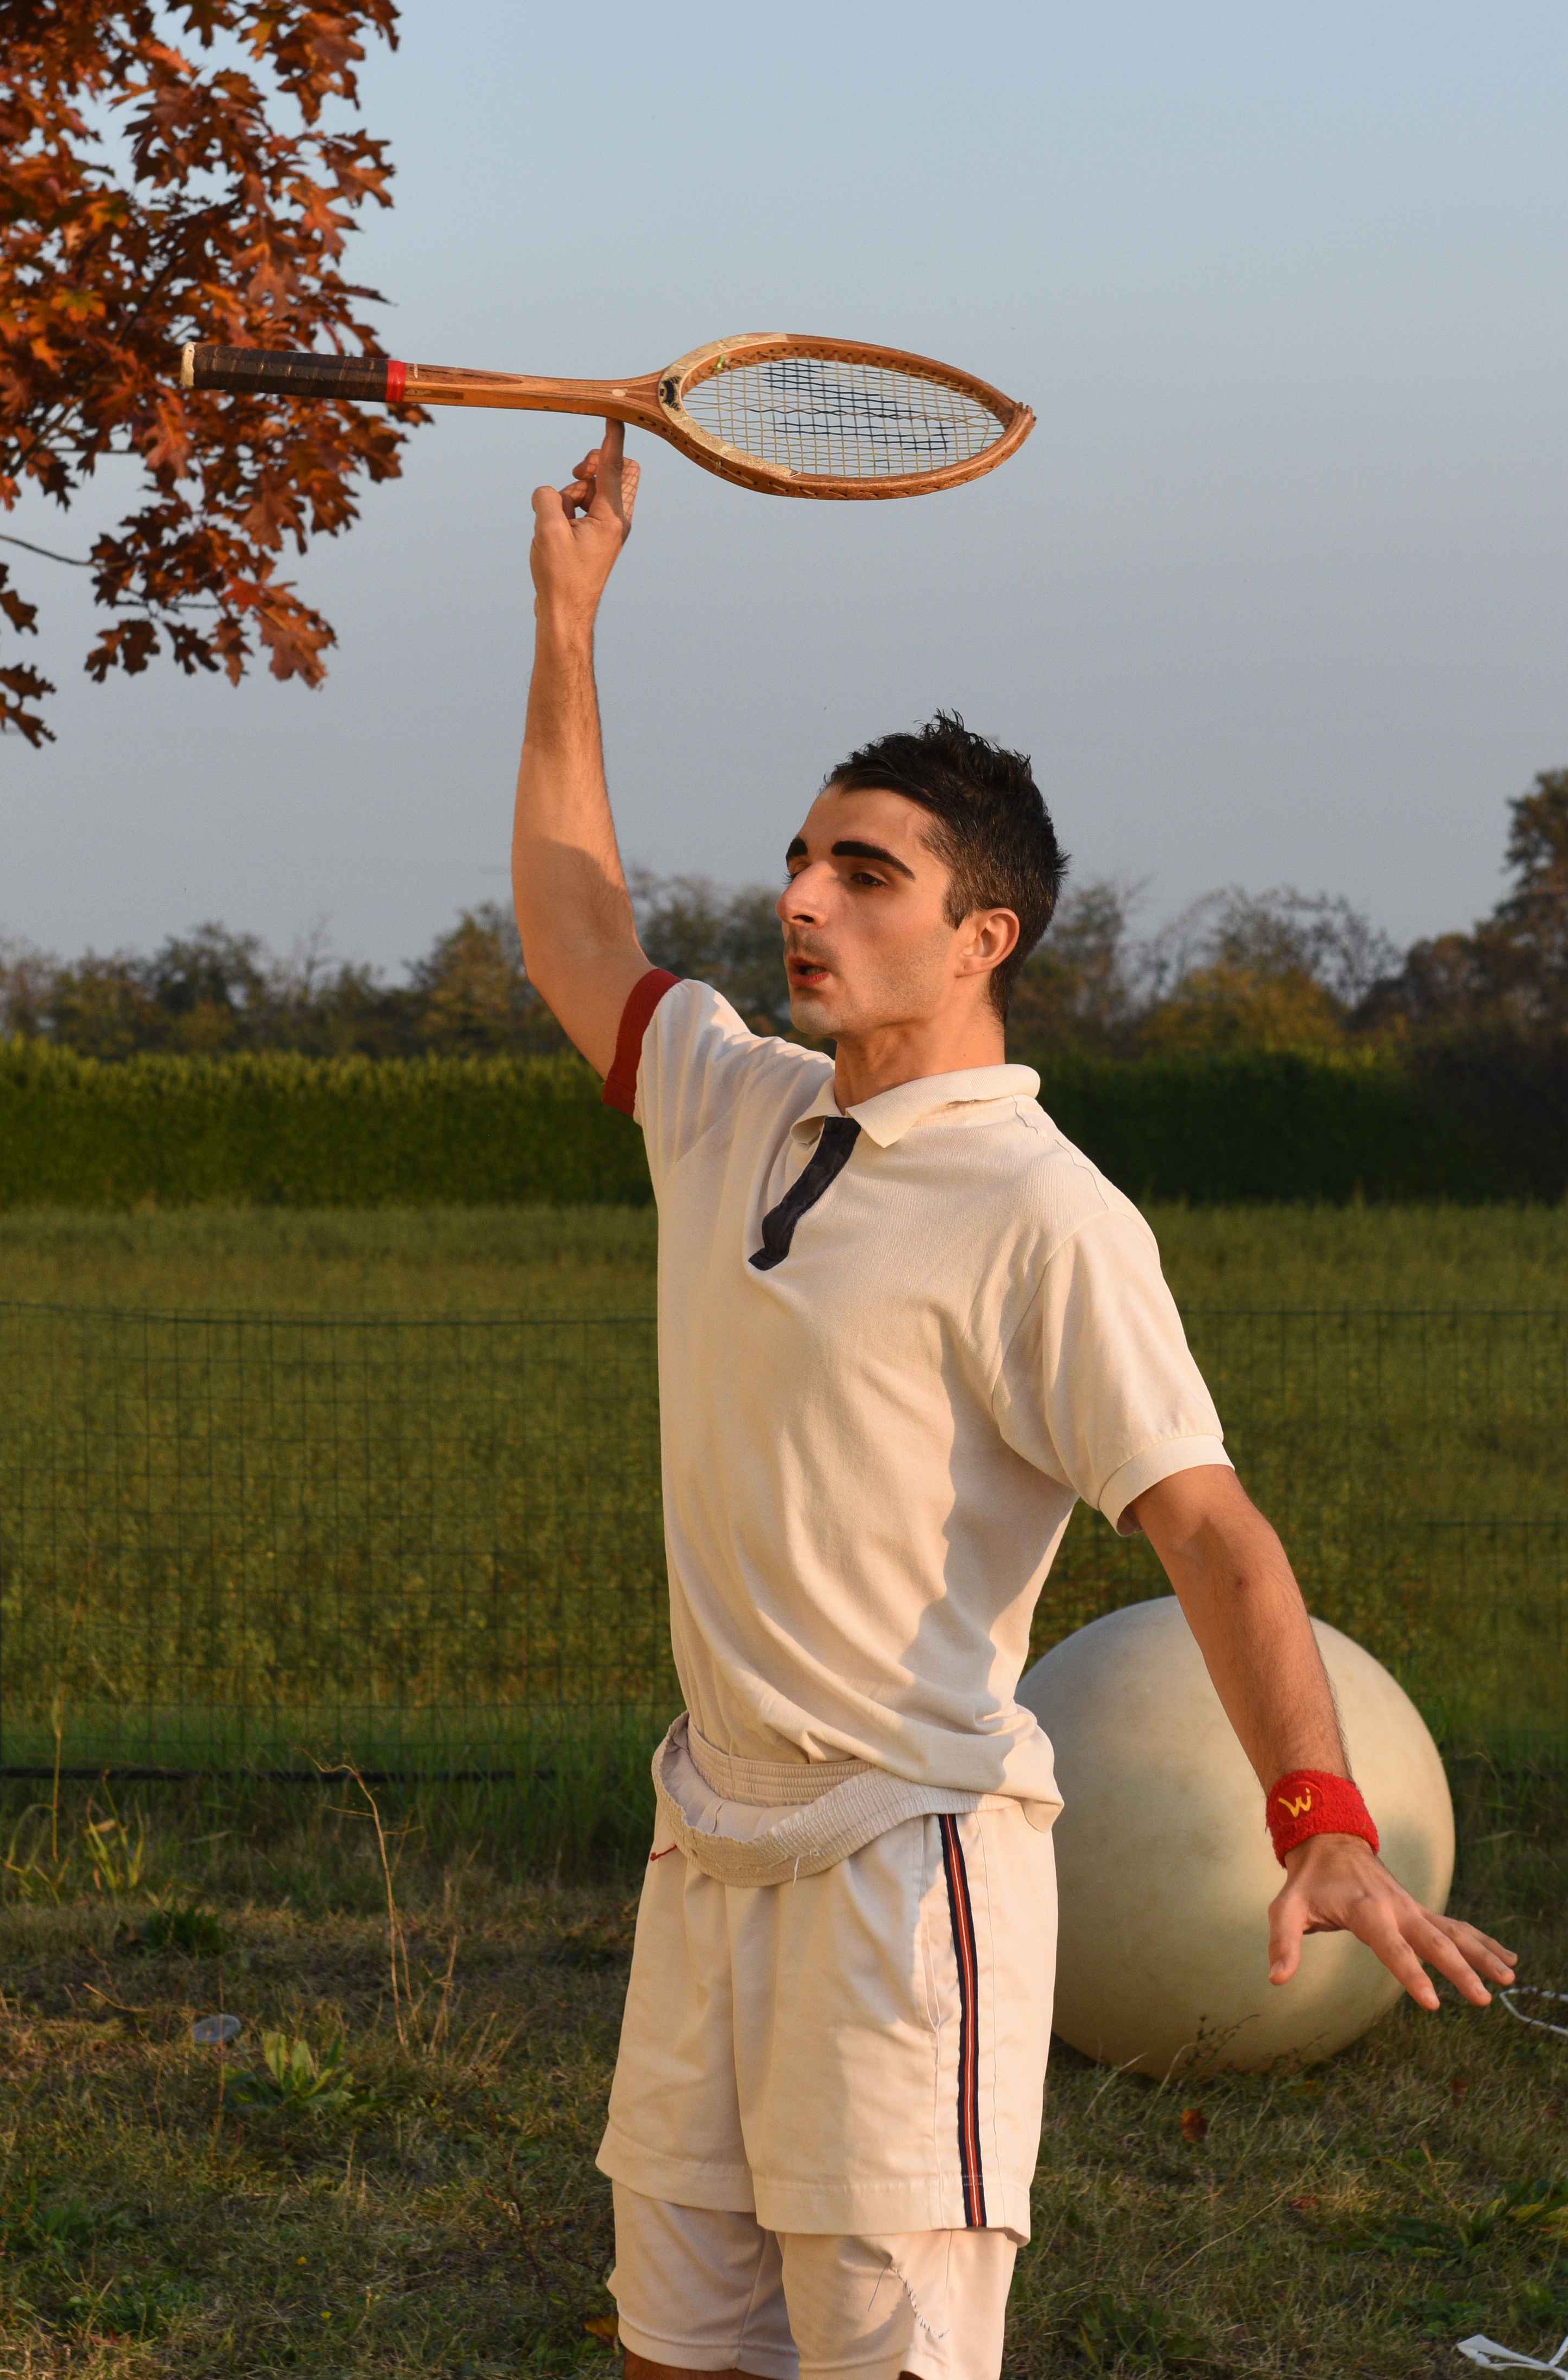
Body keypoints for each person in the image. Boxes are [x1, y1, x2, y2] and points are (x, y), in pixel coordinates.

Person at [510, 421, 1517, 2380]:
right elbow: (573, 925)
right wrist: (567, 624)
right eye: (800, 855)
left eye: (863, 871)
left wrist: (1317, 1811)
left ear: (984, 937)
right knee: (671, 2346)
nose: (803, 895)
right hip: (706, 1841)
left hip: (909, 1880)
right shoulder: (730, 1100)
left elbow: (1206, 1521)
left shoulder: (1046, 1213)